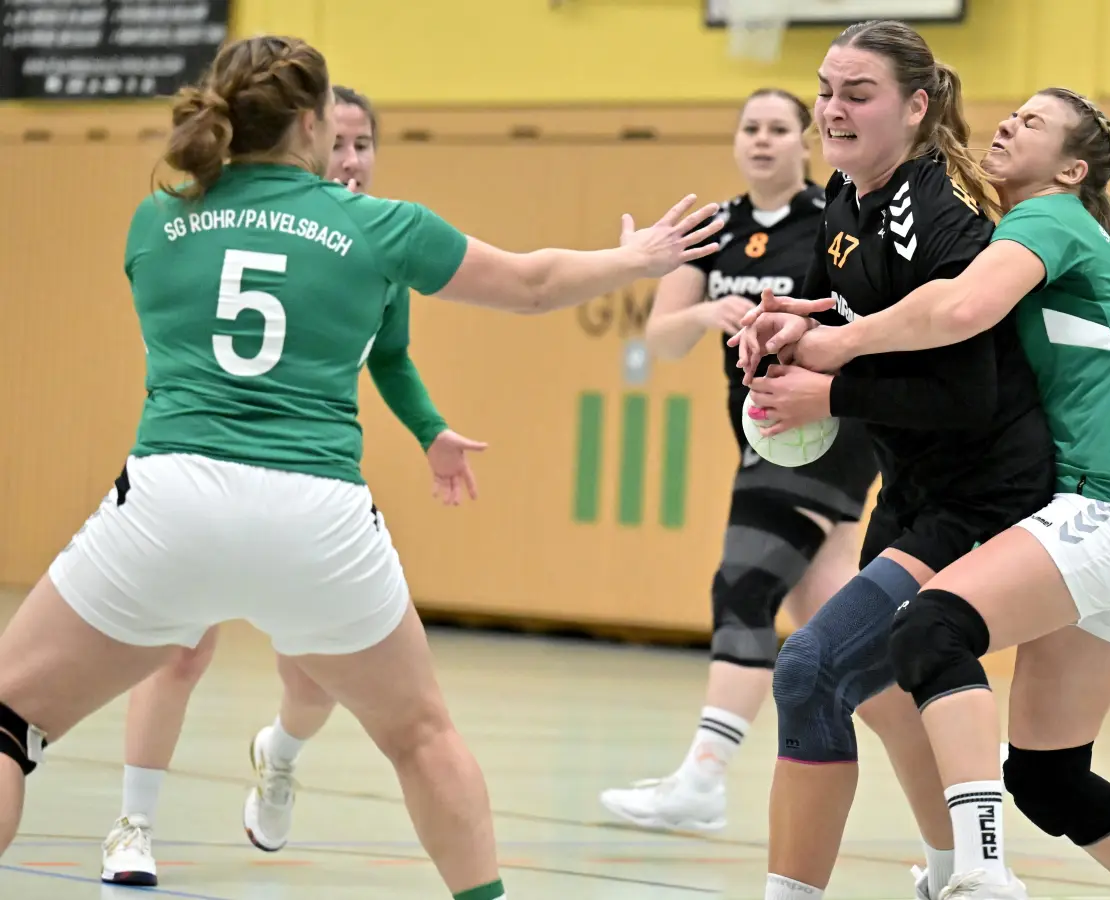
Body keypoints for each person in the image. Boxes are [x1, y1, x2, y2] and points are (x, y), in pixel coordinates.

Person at [0, 35, 722, 900]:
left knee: (11, 720)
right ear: (311, 122)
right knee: (420, 738)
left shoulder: (157, 220)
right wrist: (634, 261)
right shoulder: (378, 225)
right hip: (318, 517)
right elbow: (530, 285)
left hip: (171, 500)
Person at [755, 89, 1110, 900]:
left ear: (1071, 169)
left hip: (1108, 505)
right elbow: (925, 305)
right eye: (1012, 113)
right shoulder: (1021, 230)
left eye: (1033, 124)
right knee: (1050, 778)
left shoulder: (1050, 217)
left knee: (929, 630)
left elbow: (959, 308)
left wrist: (834, 348)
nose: (1009, 125)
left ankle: (982, 872)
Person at [97, 83, 480, 887]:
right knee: (178, 651)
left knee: (310, 676)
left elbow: (391, 356)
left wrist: (431, 431)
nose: (349, 159)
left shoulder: (374, 240)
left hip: (305, 495)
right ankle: (132, 824)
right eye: (336, 142)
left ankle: (280, 754)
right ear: (301, 141)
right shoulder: (232, 221)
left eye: (363, 144)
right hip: (202, 470)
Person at [729, 20, 1057, 900]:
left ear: (916, 106)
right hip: (913, 484)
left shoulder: (941, 209)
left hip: (985, 494)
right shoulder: (847, 196)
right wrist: (802, 323)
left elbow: (965, 393)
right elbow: (868, 309)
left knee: (811, 669)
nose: (831, 110)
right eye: (825, 91)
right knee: (877, 689)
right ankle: (956, 871)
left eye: (857, 94)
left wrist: (826, 393)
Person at [597, 88, 880, 834]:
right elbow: (661, 338)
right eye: (750, 128)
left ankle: (703, 779)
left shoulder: (834, 219)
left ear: (804, 142)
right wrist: (703, 313)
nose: (762, 140)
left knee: (743, 586)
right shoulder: (715, 229)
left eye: (779, 128)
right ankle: (955, 774)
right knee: (839, 632)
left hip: (822, 429)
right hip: (760, 434)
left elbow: (861, 321)